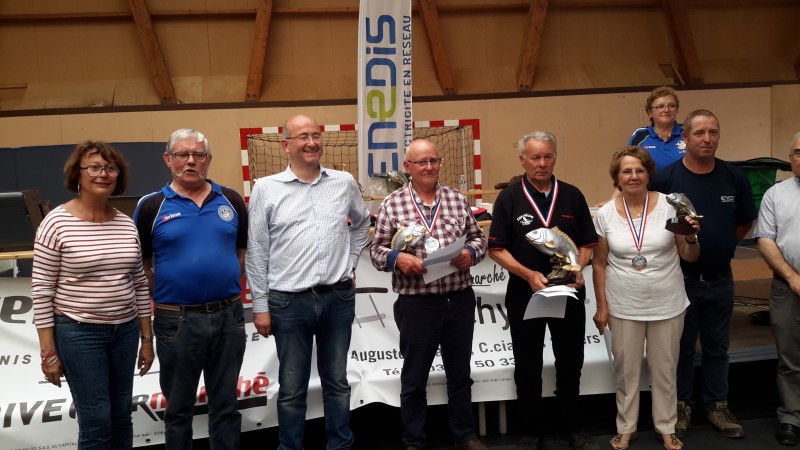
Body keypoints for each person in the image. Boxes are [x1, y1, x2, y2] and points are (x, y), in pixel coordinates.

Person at [246, 114, 371, 450]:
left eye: (316, 135)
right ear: (286, 145)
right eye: (303, 136)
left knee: (338, 384)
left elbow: (361, 223)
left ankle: (340, 445)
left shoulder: (343, 182)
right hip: (288, 303)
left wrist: (350, 260)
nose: (312, 142)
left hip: (338, 298)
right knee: (291, 390)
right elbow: (257, 251)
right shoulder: (266, 188)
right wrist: (260, 306)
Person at [32, 141, 153, 449]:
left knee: (122, 414)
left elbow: (140, 284)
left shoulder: (126, 224)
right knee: (96, 420)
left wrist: (146, 339)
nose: (103, 174)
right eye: (94, 167)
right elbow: (42, 291)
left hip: (125, 332)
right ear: (77, 174)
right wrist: (48, 353)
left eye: (110, 168)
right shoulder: (56, 223)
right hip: (79, 334)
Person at [370, 139, 489, 450]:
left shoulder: (456, 199)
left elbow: (479, 239)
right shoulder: (393, 203)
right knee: (414, 377)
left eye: (433, 160)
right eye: (421, 162)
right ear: (408, 167)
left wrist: (470, 254)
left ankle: (465, 435)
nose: (428, 167)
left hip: (458, 299)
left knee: (460, 374)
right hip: (417, 304)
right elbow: (377, 251)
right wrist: (398, 258)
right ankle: (414, 440)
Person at [134, 129, 248, 450]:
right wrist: (171, 292)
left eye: (198, 155)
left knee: (225, 406)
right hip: (176, 321)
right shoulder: (150, 206)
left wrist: (219, 284)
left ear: (208, 160)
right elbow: (142, 264)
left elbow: (241, 253)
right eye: (182, 155)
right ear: (168, 159)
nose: (190, 161)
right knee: (178, 409)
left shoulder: (232, 201)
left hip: (228, 317)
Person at [650, 109, 757, 439]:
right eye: (699, 133)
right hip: (679, 281)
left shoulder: (733, 177)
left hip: (721, 280)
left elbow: (745, 220)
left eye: (713, 132)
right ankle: (682, 405)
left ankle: (717, 406)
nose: (707, 139)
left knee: (717, 348)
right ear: (685, 138)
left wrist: (722, 245)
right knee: (681, 349)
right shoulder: (666, 180)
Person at [488, 131, 599, 450]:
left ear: (555, 158)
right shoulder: (509, 198)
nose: (542, 163)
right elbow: (496, 249)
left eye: (547, 156)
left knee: (570, 362)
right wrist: (528, 274)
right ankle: (529, 430)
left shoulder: (572, 195)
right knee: (527, 364)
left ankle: (570, 427)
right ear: (522, 160)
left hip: (568, 292)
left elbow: (588, 243)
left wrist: (577, 267)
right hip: (526, 293)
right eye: (535, 157)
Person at [592, 147, 700, 450]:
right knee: (626, 372)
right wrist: (602, 306)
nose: (633, 176)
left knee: (665, 371)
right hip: (624, 305)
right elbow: (599, 263)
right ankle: (626, 428)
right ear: (617, 178)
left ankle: (666, 427)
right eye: (626, 171)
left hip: (667, 303)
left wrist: (692, 236)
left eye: (639, 170)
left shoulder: (670, 206)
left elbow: (689, 255)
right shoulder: (605, 214)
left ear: (649, 174)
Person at [753, 132, 800, 446]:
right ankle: (792, 417)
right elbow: (765, 239)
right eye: (798, 152)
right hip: (788, 286)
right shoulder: (775, 194)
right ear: (790, 157)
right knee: (790, 357)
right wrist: (792, 277)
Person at [628, 85, 686, 172]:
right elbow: (628, 165)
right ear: (650, 112)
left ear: (676, 110)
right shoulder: (640, 135)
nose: (666, 110)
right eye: (661, 106)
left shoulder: (687, 132)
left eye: (671, 106)